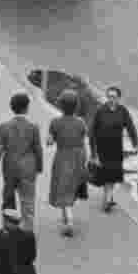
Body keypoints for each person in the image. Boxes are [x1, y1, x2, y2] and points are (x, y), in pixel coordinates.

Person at [0, 91, 44, 226]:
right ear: (27, 108)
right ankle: (27, 233)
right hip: (28, 169)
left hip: (10, 168)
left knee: (8, 200)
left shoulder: (4, 127)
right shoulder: (33, 127)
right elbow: (38, 148)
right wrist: (39, 166)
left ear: (12, 108)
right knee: (28, 202)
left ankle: (8, 230)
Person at [89, 83, 138, 212]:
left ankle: (108, 199)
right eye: (109, 96)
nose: (111, 99)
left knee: (112, 176)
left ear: (118, 98)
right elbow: (92, 131)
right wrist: (93, 152)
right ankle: (108, 199)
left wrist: (135, 143)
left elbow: (130, 127)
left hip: (116, 148)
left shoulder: (123, 111)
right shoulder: (101, 111)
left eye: (114, 97)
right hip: (102, 148)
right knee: (107, 176)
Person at [47, 88, 87, 235]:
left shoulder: (55, 122)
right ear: (76, 106)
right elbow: (83, 139)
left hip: (63, 156)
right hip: (78, 156)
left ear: (61, 105)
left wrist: (50, 137)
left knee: (63, 187)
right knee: (70, 187)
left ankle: (69, 220)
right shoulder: (81, 122)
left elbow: (50, 142)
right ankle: (65, 217)